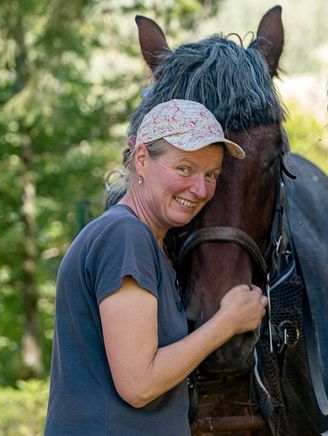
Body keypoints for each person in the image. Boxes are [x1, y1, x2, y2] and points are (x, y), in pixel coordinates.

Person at [44, 99, 268, 435]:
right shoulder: (125, 235)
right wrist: (228, 322)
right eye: (184, 169)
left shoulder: (147, 243)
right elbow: (139, 385)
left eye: (211, 175)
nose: (201, 188)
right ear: (143, 160)